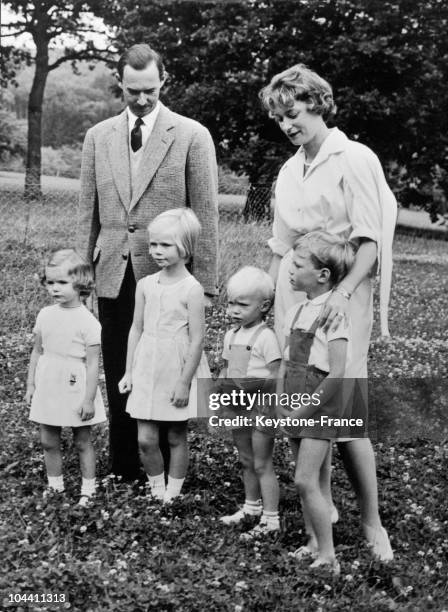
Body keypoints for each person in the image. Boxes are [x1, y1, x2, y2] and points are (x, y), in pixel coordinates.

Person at [260, 64, 396, 561]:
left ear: (316, 103)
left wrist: (342, 294)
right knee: (298, 397)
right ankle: (323, 522)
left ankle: (372, 522)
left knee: (345, 409)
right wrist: (267, 302)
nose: (287, 124)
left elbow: (370, 242)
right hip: (294, 291)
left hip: (341, 292)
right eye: (278, 118)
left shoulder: (353, 157)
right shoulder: (289, 168)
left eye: (292, 113)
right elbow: (279, 245)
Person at [77, 43, 218, 482]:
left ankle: (167, 464)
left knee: (167, 367)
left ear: (164, 82)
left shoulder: (192, 135)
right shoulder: (98, 137)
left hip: (169, 278)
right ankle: (125, 465)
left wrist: (207, 285)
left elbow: (207, 215)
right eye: (132, 90)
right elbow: (88, 213)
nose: (141, 99)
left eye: (150, 90)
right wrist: (83, 279)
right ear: (120, 83)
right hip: (113, 276)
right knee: (121, 368)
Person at [118, 209, 210, 502]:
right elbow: (136, 328)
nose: (157, 251)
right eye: (153, 244)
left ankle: (173, 492)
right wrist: (129, 371)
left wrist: (184, 383)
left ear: (185, 247)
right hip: (147, 365)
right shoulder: (145, 285)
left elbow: (197, 340)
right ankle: (157, 489)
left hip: (176, 367)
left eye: (165, 245)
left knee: (174, 436)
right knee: (145, 438)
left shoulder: (192, 289)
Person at [277, 232, 355, 573]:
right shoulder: (296, 310)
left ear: (323, 275)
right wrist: (281, 398)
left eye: (297, 265)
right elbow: (285, 361)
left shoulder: (334, 314)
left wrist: (304, 409)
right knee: (315, 481)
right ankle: (312, 542)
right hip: (294, 399)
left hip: (318, 405)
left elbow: (337, 373)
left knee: (305, 480)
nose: (289, 270)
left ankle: (329, 556)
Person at [25, 249, 106, 505]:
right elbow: (37, 352)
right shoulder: (45, 315)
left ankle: (88, 489)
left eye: (62, 282)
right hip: (49, 382)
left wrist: (89, 399)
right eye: (50, 282)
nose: (55, 289)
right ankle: (56, 486)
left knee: (82, 440)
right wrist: (30, 385)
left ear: (81, 283)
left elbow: (93, 364)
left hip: (75, 385)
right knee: (48, 439)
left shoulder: (88, 322)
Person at [218, 267, 282, 538]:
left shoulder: (266, 337)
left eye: (242, 305)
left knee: (262, 462)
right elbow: (225, 368)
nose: (234, 310)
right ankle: (251, 507)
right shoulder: (231, 335)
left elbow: (277, 374)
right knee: (246, 458)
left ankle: (271, 518)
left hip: (260, 407)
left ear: (264, 306)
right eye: (231, 303)